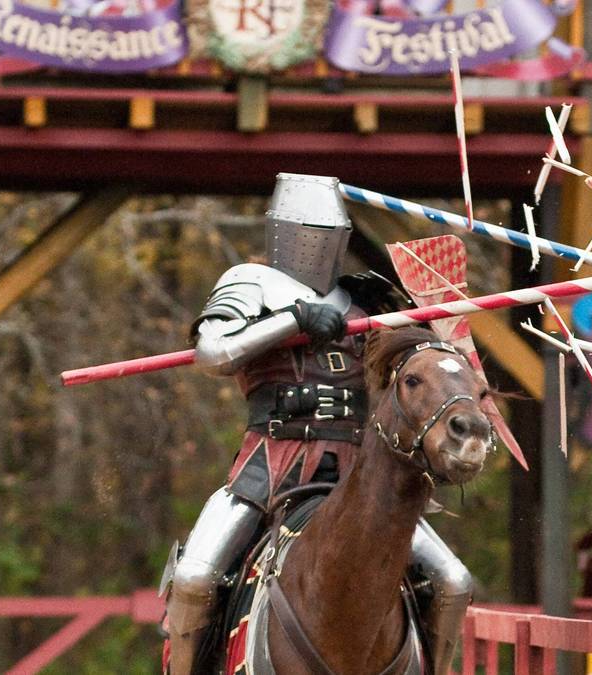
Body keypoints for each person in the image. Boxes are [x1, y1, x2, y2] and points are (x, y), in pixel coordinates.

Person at [161, 173, 473, 675]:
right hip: (267, 470)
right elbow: (212, 352)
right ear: (284, 232)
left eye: (330, 236)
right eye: (309, 232)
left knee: (452, 581)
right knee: (197, 578)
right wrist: (294, 320)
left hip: (357, 475)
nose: (319, 247)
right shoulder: (250, 283)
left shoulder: (369, 302)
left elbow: (422, 360)